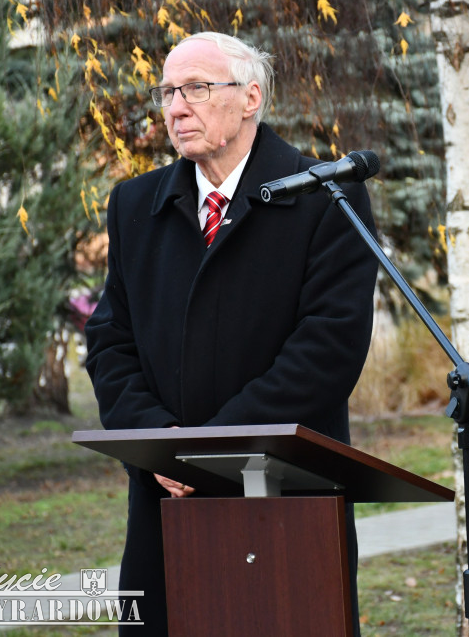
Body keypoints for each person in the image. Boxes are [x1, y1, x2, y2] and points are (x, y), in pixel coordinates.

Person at [85, 32, 378, 635]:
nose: (175, 107)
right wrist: (158, 442)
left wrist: (213, 448)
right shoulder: (135, 204)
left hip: (288, 504)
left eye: (195, 88)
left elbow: (330, 345)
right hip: (166, 503)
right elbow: (110, 339)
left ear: (250, 98)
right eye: (167, 92)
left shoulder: (325, 196)